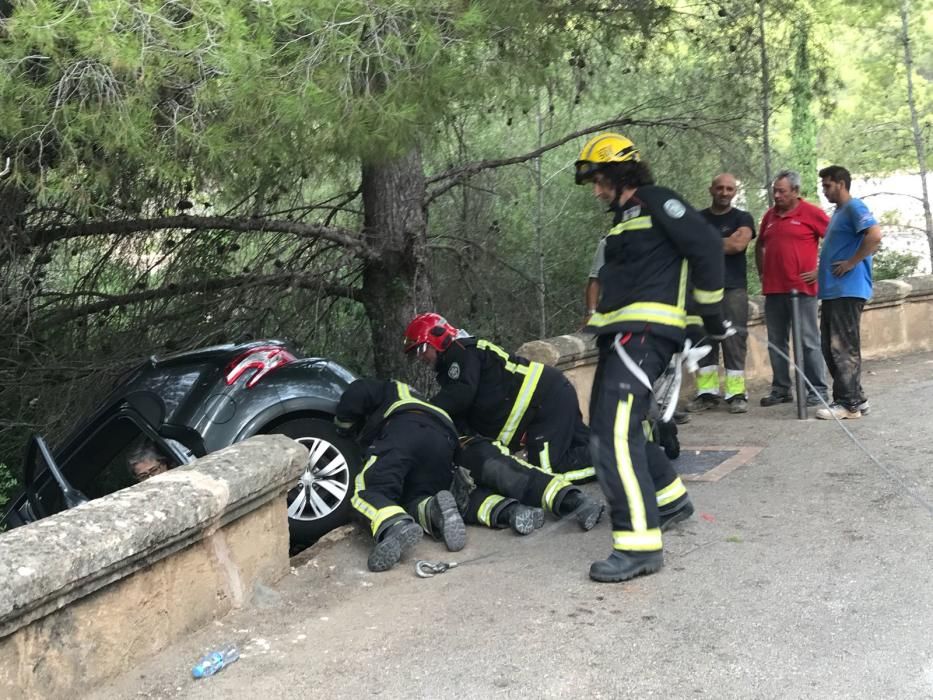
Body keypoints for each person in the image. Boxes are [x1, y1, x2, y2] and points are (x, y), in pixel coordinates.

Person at [574, 132, 727, 583]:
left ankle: (639, 545)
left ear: (621, 174)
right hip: (622, 338)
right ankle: (670, 498)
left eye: (600, 180)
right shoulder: (625, 217)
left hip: (643, 338)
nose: (597, 191)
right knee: (623, 430)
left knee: (611, 438)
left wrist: (710, 317)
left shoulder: (659, 200)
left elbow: (707, 246)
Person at [404, 313, 594, 483]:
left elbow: (460, 396)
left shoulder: (461, 352)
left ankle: (612, 463)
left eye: (421, 350)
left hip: (546, 401)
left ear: (439, 339)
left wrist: (423, 410)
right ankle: (613, 451)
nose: (421, 358)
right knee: (583, 446)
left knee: (548, 473)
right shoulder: (456, 363)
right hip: (550, 396)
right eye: (415, 353)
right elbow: (462, 412)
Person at [334, 378, 467, 572]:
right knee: (414, 498)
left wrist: (342, 424)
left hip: (405, 426)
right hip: (445, 440)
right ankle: (435, 509)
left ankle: (394, 525)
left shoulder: (387, 386)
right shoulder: (423, 398)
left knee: (368, 490)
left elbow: (359, 390)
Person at [755, 170, 830, 407]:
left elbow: (837, 241)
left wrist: (821, 271)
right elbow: (760, 245)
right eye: (774, 190)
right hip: (774, 290)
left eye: (782, 191)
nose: (776, 195)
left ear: (795, 192)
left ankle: (816, 390)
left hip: (802, 290)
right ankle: (781, 389)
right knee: (776, 342)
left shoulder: (811, 213)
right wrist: (762, 273)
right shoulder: (770, 216)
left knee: (808, 341)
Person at [815, 165, 882, 420]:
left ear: (841, 184)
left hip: (848, 289)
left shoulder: (855, 207)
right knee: (830, 347)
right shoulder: (839, 212)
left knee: (841, 347)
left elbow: (875, 235)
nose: (825, 190)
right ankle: (856, 398)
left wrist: (852, 262)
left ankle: (848, 404)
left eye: (828, 185)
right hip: (834, 291)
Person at [686, 173, 757, 414]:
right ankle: (707, 394)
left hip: (733, 288)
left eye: (729, 189)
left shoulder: (742, 217)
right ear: (711, 190)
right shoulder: (696, 218)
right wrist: (720, 242)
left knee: (734, 339)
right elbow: (687, 245)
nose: (724, 192)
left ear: (735, 192)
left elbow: (738, 244)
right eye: (720, 188)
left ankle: (736, 393)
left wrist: (703, 243)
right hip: (700, 288)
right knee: (702, 339)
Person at [456, 436, 604, 533]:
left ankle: (573, 500)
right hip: (440, 472)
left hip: (457, 442)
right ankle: (512, 512)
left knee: (504, 472)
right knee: (460, 498)